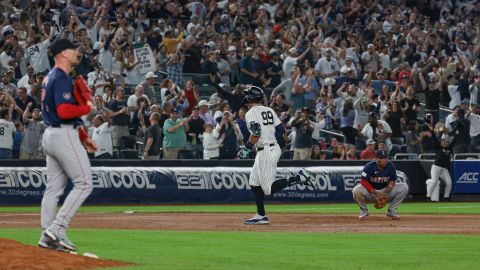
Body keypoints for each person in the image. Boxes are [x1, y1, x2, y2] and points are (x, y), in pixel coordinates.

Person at [39, 38, 97, 252]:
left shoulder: (49, 78)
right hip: (63, 135)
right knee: (84, 183)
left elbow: (58, 112)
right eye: (72, 49)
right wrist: (87, 108)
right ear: (63, 53)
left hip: (51, 135)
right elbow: (64, 112)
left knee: (53, 189)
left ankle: (47, 235)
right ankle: (57, 229)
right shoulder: (61, 77)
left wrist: (83, 136)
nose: (76, 51)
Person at [241, 86, 320, 225]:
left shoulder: (251, 113)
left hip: (266, 150)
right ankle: (261, 215)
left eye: (247, 95)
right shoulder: (269, 110)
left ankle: (299, 177)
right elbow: (280, 129)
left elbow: (256, 134)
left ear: (250, 98)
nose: (245, 97)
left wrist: (246, 147)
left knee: (268, 189)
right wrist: (273, 142)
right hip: (269, 148)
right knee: (254, 182)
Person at [352, 150, 409, 220]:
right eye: (381, 158)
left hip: (385, 191)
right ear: (375, 159)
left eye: (385, 158)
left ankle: (391, 210)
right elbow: (363, 181)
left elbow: (392, 180)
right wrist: (374, 192)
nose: (384, 160)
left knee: (404, 187)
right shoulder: (369, 167)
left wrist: (386, 190)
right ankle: (364, 211)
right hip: (370, 192)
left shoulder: (391, 166)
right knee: (356, 190)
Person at [426, 136, 452, 202]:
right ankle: (428, 197)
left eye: (445, 141)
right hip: (436, 167)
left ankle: (446, 197)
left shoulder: (449, 149)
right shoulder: (438, 148)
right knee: (434, 181)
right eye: (443, 141)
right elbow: (434, 139)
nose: (444, 142)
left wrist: (457, 133)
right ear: (440, 143)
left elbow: (454, 141)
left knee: (449, 183)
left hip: (444, 169)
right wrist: (432, 132)